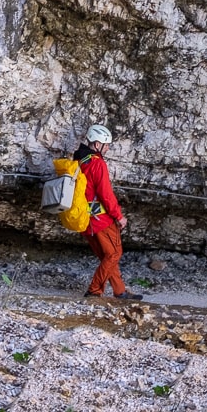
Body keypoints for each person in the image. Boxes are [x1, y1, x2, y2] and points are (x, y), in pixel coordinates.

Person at [72, 124, 141, 300]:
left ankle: (120, 291)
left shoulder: (78, 160)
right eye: (106, 144)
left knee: (107, 255)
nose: (108, 147)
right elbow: (106, 194)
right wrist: (119, 216)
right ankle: (94, 290)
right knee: (114, 253)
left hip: (84, 219)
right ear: (97, 144)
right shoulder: (97, 163)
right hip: (101, 219)